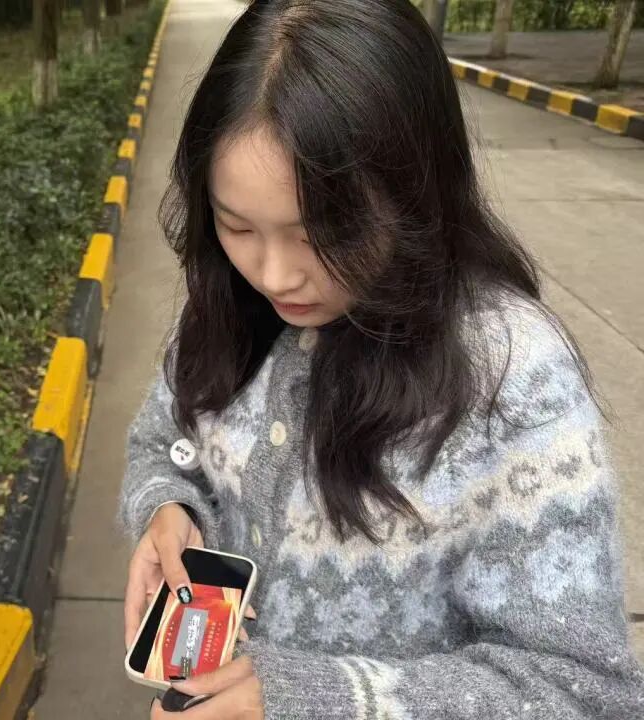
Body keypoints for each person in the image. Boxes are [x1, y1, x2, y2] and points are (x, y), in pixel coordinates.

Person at [118, 1, 644, 718]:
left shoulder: (510, 378)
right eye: (237, 227)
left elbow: (580, 691)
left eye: (322, 236)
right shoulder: (226, 307)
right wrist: (167, 507)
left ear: (416, 194)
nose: (274, 275)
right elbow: (162, 441)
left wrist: (312, 699)